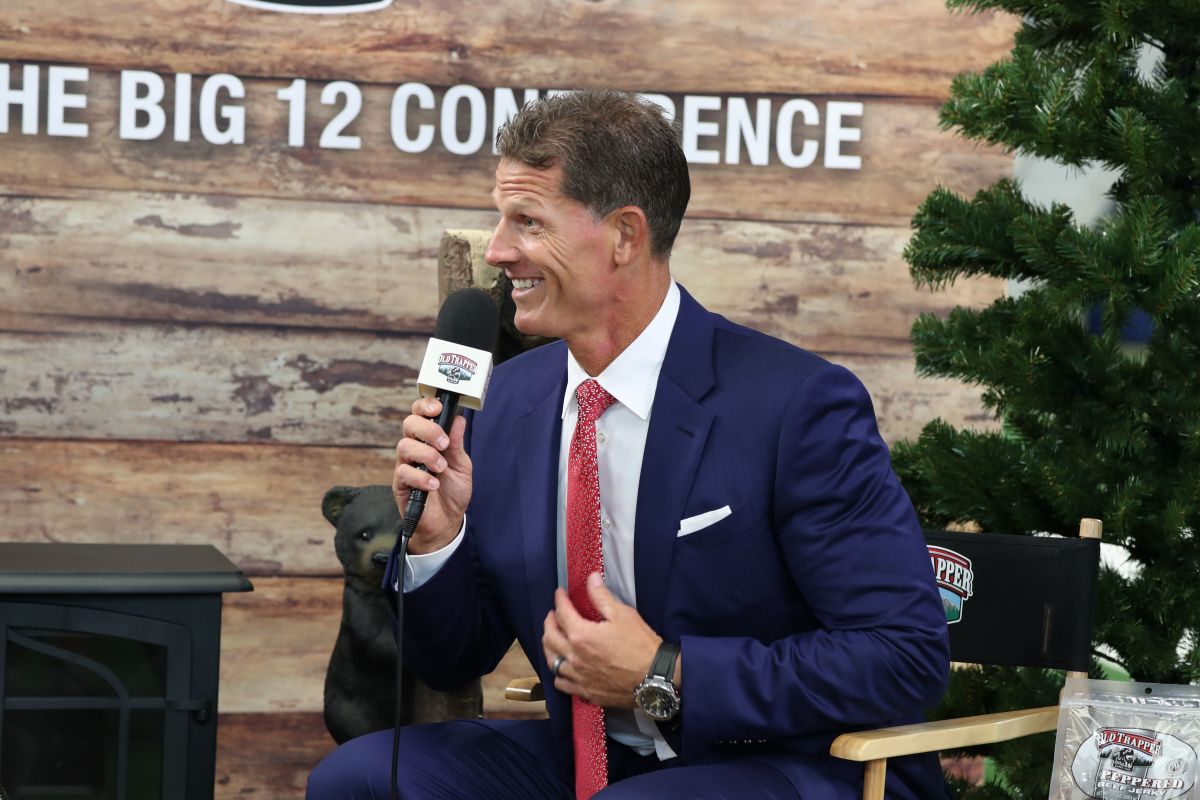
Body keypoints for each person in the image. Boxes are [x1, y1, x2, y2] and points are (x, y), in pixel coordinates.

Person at [307, 89, 950, 799]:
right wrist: (437, 543)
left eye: (528, 221)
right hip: (592, 758)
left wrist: (665, 670)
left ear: (624, 235)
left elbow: (903, 656)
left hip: (793, 762)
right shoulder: (511, 400)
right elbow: (455, 658)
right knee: (360, 780)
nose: (497, 249)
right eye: (500, 218)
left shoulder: (797, 406)